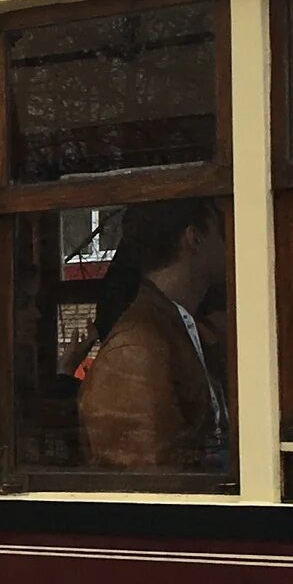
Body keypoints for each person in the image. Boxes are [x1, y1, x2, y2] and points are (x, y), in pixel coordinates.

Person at [78, 199, 231, 475]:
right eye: (221, 232)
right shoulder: (136, 349)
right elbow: (147, 477)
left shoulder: (182, 327)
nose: (231, 243)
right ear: (194, 238)